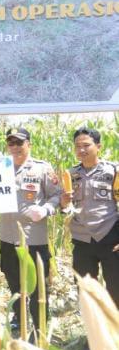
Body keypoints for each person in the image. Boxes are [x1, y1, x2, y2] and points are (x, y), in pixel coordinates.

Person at [0, 127, 61, 335]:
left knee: (37, 287)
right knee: (13, 282)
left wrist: (45, 209)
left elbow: (57, 195)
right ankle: (19, 319)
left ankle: (39, 327)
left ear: (29, 144)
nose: (15, 147)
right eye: (11, 143)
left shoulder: (42, 169)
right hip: (7, 237)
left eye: (20, 142)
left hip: (33, 238)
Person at [60, 127, 119, 306]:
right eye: (78, 146)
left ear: (98, 146)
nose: (81, 149)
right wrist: (64, 203)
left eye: (86, 145)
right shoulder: (70, 174)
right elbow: (65, 209)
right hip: (82, 240)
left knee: (116, 289)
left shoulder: (113, 171)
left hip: (110, 237)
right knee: (86, 292)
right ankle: (92, 323)